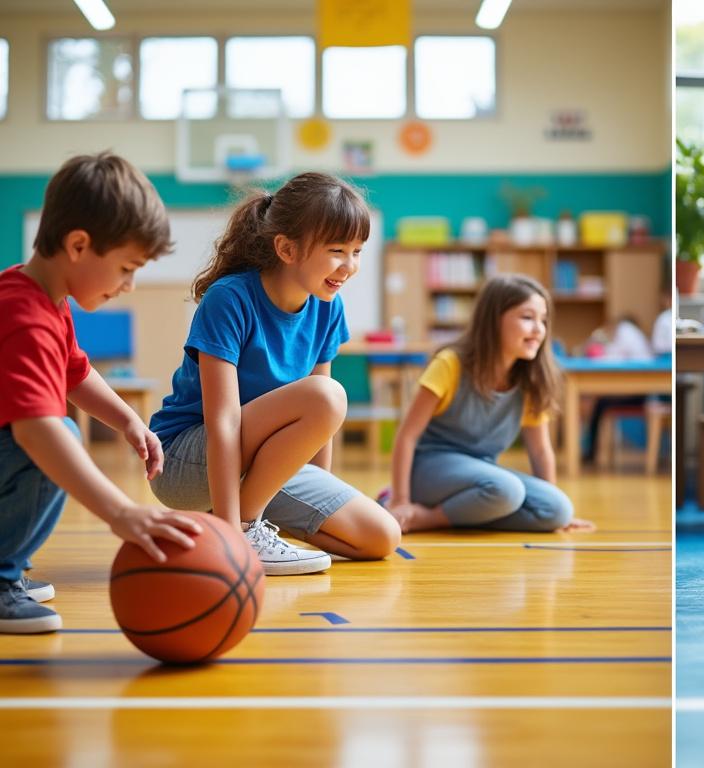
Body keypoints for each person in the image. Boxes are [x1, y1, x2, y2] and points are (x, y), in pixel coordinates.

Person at [148, 173, 401, 576]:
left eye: (357, 251)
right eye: (338, 250)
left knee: (380, 536)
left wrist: (321, 496)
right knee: (327, 395)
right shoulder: (229, 298)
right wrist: (236, 528)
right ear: (286, 248)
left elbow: (318, 433)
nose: (350, 266)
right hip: (187, 461)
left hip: (257, 467)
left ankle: (243, 525)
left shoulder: (327, 307)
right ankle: (238, 529)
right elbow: (224, 421)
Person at [0, 152, 202, 633]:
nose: (129, 286)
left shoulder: (41, 297)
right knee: (61, 435)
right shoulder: (26, 319)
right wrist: (121, 513)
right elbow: (36, 431)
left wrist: (129, 421)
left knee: (65, 432)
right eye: (126, 268)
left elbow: (75, 372)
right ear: (78, 245)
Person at [384, 275, 594, 533]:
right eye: (528, 318)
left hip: (483, 475)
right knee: (506, 489)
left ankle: (457, 512)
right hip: (429, 469)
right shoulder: (451, 364)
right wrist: (400, 500)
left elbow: (540, 451)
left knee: (557, 510)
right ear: (494, 321)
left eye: (543, 320)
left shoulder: (530, 379)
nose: (539, 329)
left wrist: (557, 515)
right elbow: (407, 435)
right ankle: (422, 516)